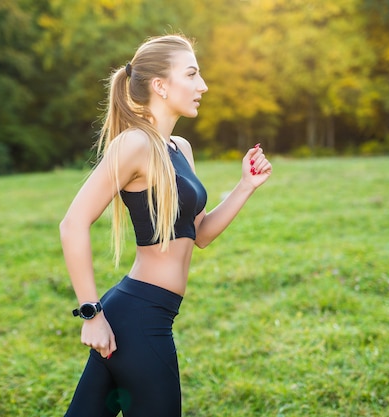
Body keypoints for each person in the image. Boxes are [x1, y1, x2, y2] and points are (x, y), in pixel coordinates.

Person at [59, 34, 272, 417]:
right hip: (138, 317)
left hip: (145, 314)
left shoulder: (179, 148)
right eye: (191, 74)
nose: (202, 85)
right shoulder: (133, 145)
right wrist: (91, 315)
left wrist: (245, 186)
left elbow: (199, 234)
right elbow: (73, 223)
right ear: (160, 85)